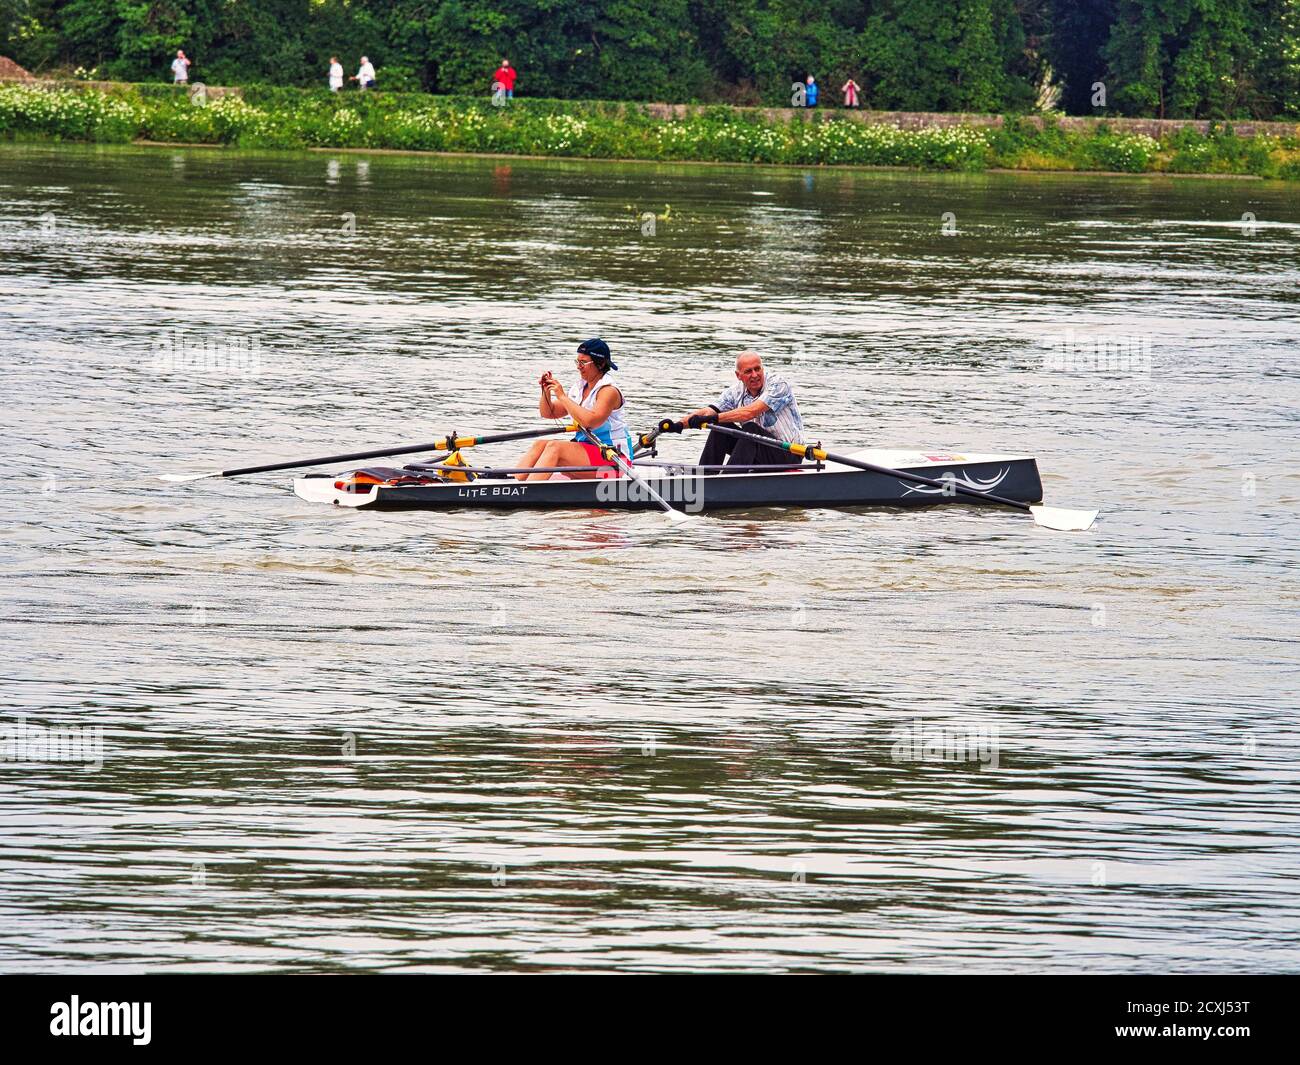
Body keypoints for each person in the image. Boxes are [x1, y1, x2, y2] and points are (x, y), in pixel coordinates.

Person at [515, 339, 633, 482]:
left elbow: (591, 422)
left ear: (600, 364)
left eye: (583, 362)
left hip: (614, 459)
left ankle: (526, 491)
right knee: (540, 444)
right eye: (577, 362)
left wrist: (562, 396)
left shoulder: (609, 391)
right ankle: (513, 482)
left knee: (555, 447)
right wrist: (546, 391)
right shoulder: (580, 388)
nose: (579, 367)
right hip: (589, 451)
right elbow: (548, 413)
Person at [676, 351, 805, 472]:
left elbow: (750, 412)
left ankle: (728, 481)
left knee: (750, 428)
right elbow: (708, 412)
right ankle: (704, 477)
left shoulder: (778, 385)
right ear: (738, 375)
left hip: (789, 454)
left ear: (762, 369)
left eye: (757, 369)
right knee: (720, 427)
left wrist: (713, 418)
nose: (755, 375)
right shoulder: (735, 392)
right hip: (757, 449)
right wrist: (678, 425)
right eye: (749, 371)